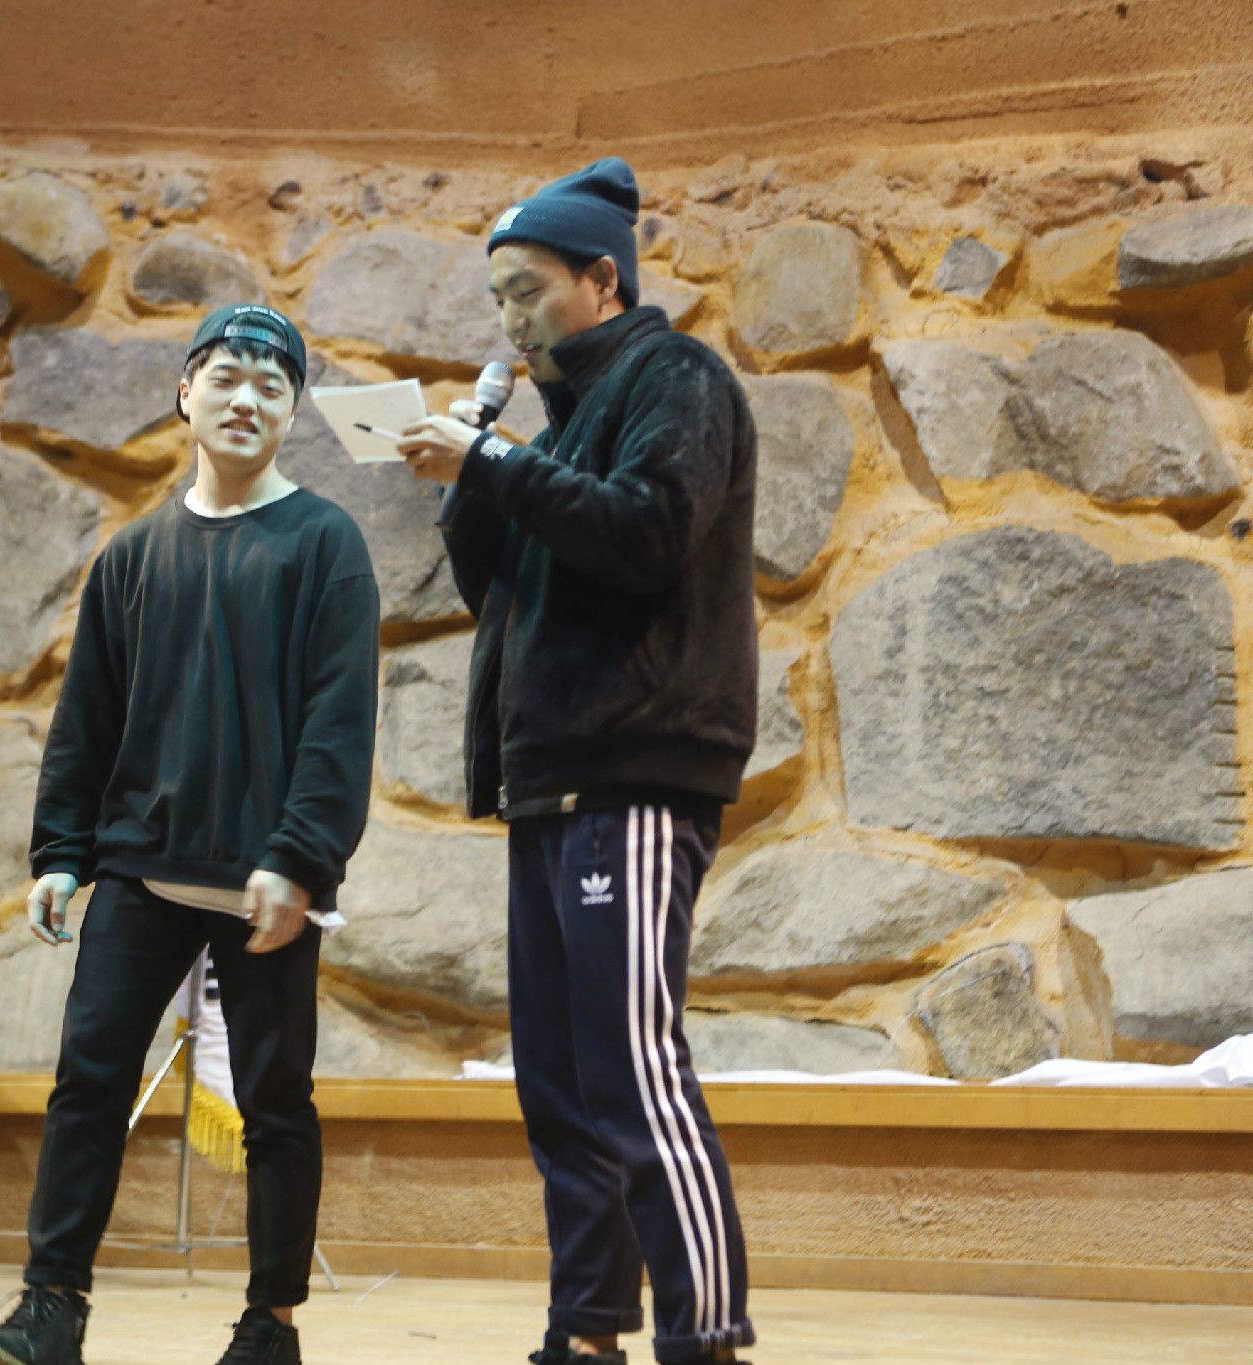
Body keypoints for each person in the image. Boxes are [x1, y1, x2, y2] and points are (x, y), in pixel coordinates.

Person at [0, 304, 380, 1365]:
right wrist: (61, 852)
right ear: (185, 393)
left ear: (292, 413)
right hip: (141, 874)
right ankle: (51, 1308)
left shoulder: (324, 544)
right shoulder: (131, 555)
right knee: (88, 1086)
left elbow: (338, 723)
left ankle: (270, 1326)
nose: (247, 399)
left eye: (272, 385)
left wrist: (300, 856)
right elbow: (86, 720)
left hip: (265, 882)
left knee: (276, 1105)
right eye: (226, 377)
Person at [395, 158, 759, 1365]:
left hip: (632, 771)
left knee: (630, 1066)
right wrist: (475, 477)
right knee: (557, 1081)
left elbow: (651, 532)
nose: (510, 320)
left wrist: (496, 466)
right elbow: (499, 596)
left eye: (527, 290)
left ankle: (703, 1336)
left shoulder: (675, 377)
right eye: (496, 299)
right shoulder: (557, 426)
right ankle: (584, 1331)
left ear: (602, 279)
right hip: (547, 780)